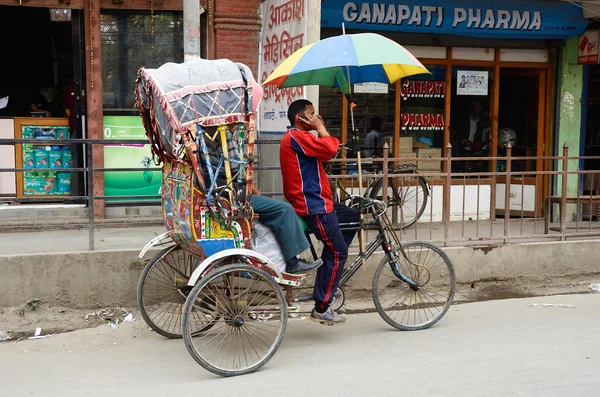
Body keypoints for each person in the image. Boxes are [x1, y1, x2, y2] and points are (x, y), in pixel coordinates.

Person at [280, 99, 360, 326]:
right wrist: (321, 128)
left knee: (352, 216)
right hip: (314, 206)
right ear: (300, 118)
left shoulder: (302, 139)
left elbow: (326, 154)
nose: (316, 118)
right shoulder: (296, 137)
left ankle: (329, 259)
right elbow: (331, 147)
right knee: (338, 253)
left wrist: (319, 131)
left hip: (322, 202)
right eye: (312, 114)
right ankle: (322, 306)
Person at [217, 126, 321, 275]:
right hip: (230, 194)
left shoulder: (208, 136)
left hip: (223, 191)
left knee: (273, 208)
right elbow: (238, 172)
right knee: (284, 209)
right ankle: (293, 263)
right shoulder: (223, 135)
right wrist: (252, 190)